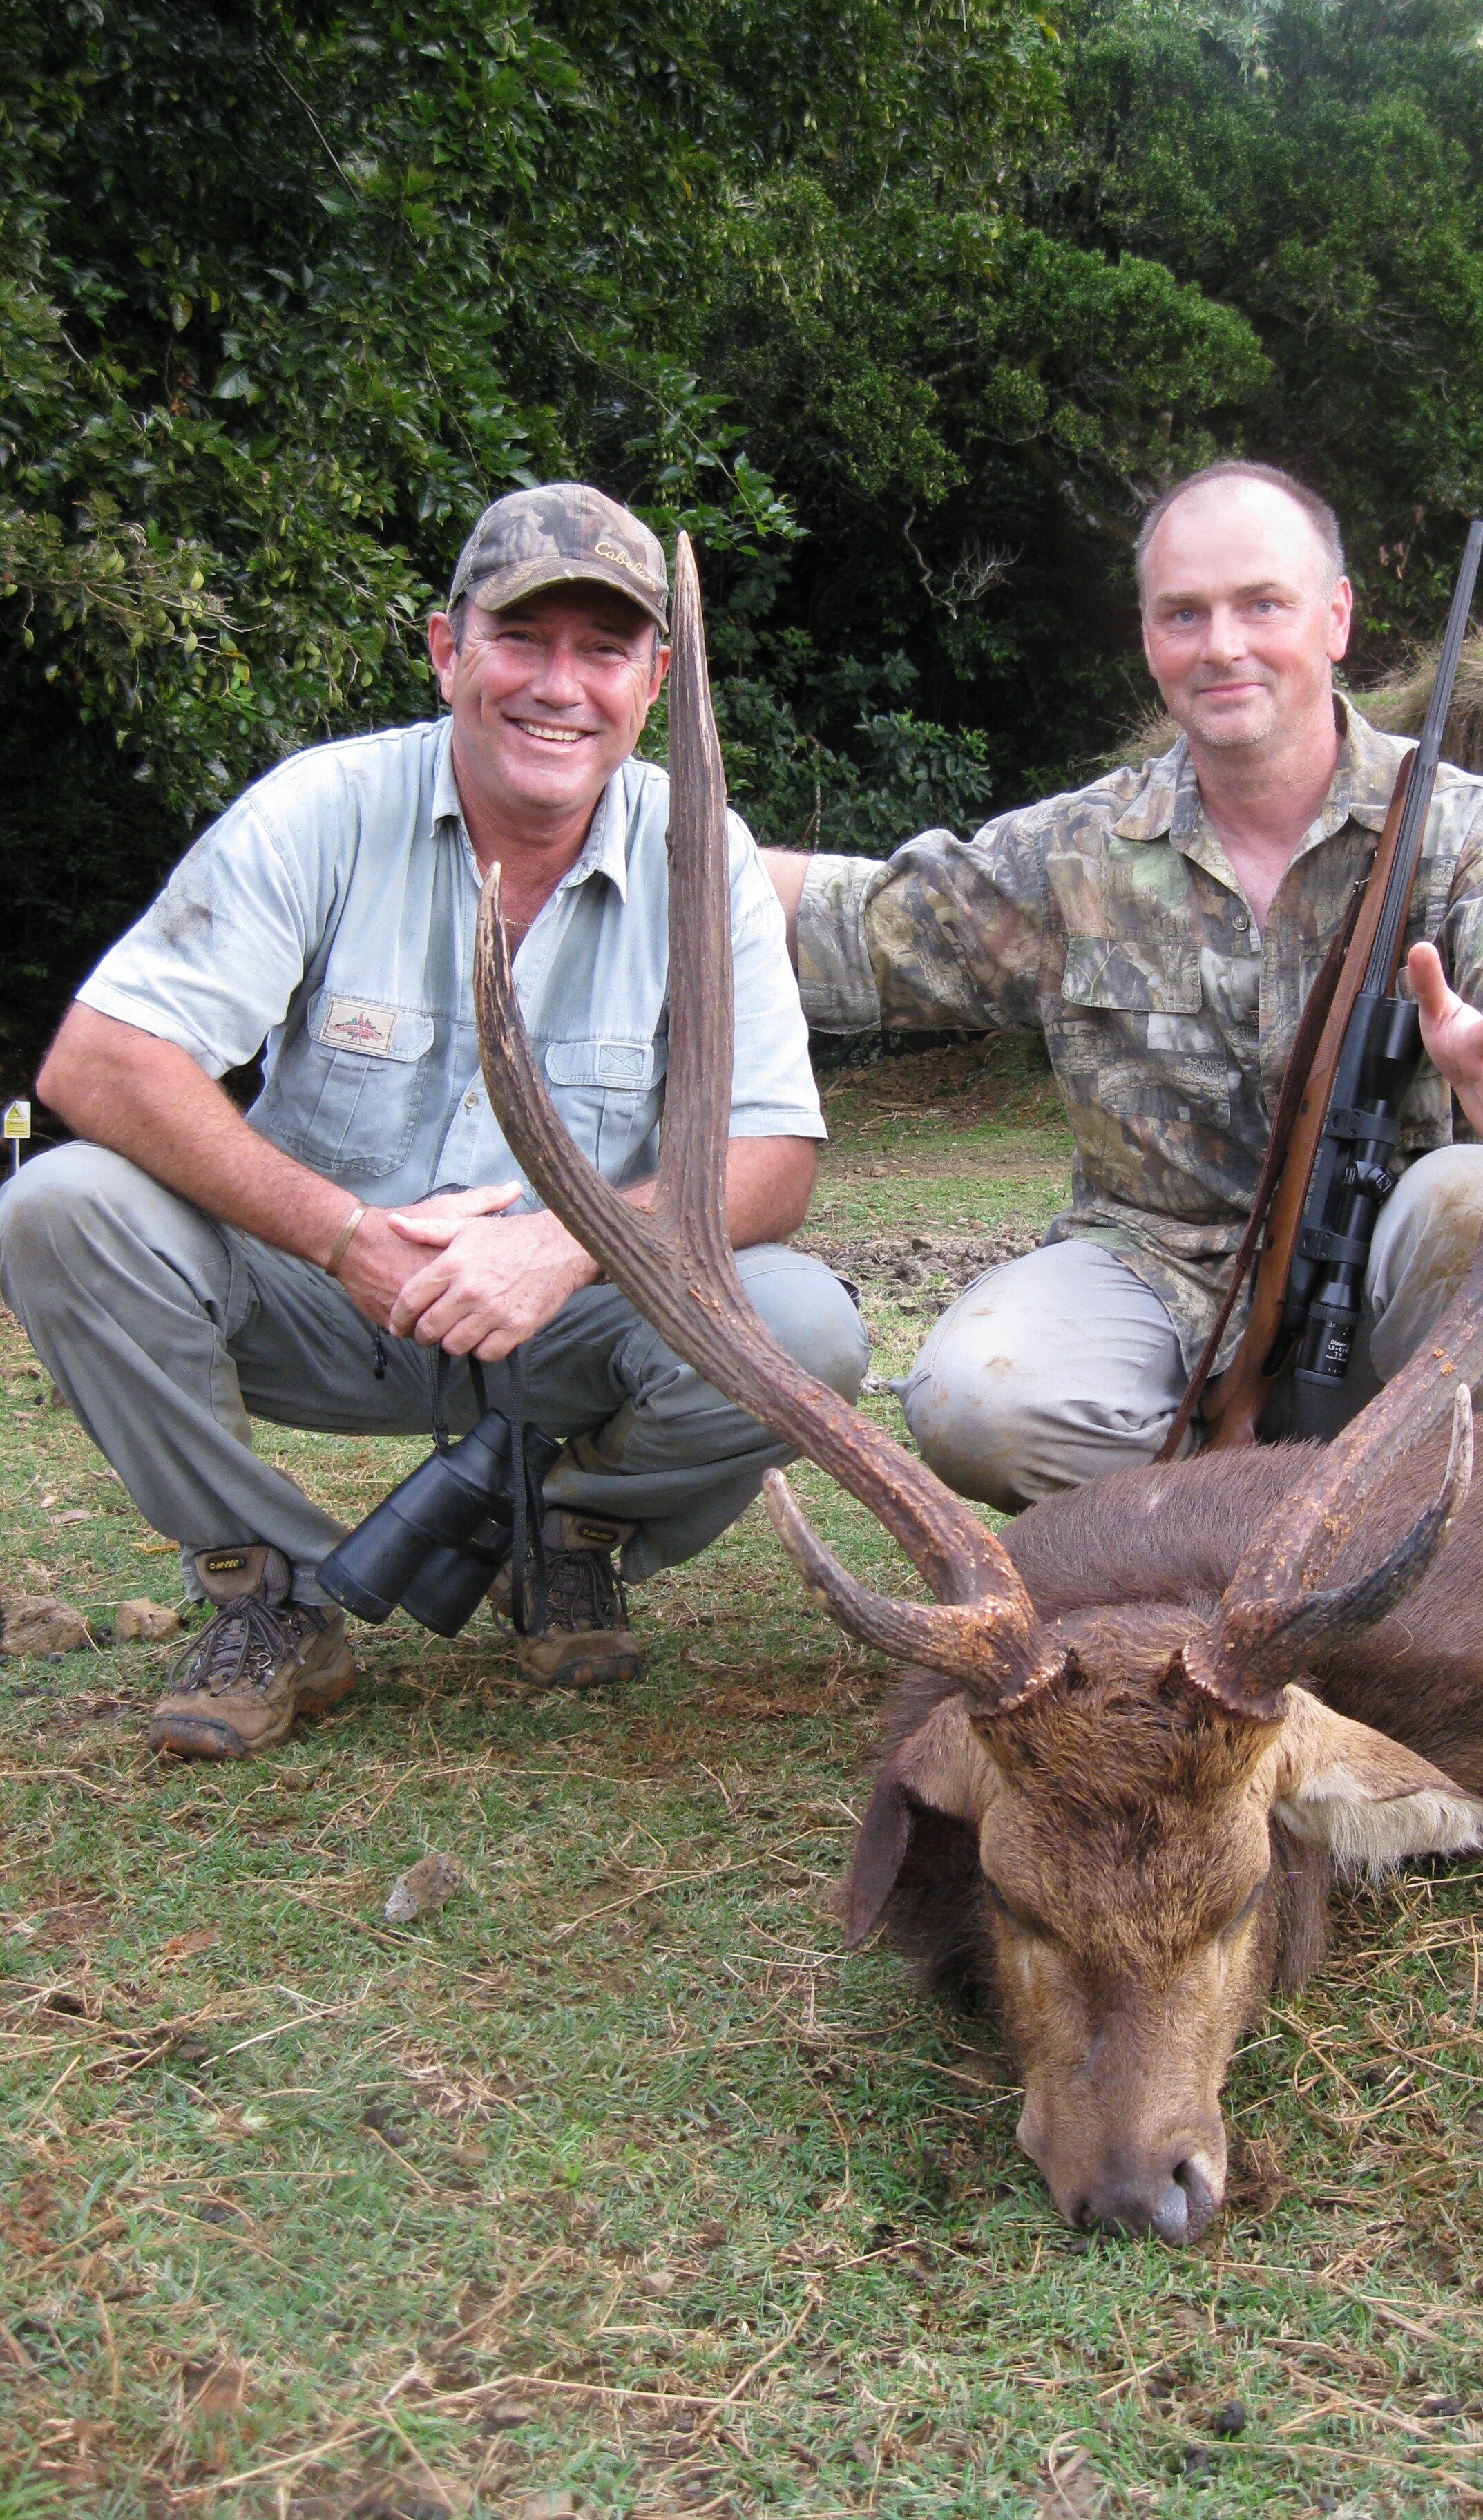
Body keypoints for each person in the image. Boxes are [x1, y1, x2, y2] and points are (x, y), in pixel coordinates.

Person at [3, 484, 866, 1757]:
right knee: (58, 1209)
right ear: (446, 648)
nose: (558, 686)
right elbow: (102, 1060)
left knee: (808, 1326)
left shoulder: (706, 849)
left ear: (657, 679)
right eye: (522, 639)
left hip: (567, 1313)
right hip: (323, 1291)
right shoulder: (322, 806)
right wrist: (343, 1233)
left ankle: (564, 1536)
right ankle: (275, 1591)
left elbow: (774, 1158)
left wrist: (568, 1245)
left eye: (603, 650)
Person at [763, 462, 1483, 1511]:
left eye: (1263, 604)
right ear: (1148, 636)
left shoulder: (1465, 827)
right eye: (1184, 614)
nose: (1222, 646)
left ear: (1336, 617)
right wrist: (620, 812)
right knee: (974, 1401)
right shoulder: (1072, 852)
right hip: (1152, 1274)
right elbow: (843, 915)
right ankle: (1220, 1537)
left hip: (1390, 1290)